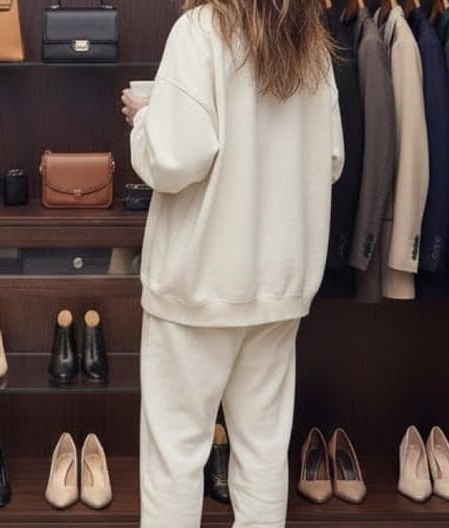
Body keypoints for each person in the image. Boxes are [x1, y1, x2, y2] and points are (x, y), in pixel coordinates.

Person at [121, 0, 343, 526]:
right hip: (279, 284)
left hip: (197, 285)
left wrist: (145, 119)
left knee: (176, 455)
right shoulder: (310, 42)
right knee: (263, 451)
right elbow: (330, 160)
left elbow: (174, 159)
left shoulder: (199, 30)